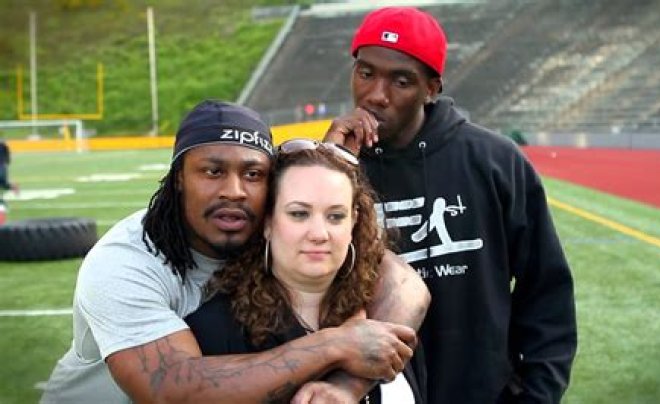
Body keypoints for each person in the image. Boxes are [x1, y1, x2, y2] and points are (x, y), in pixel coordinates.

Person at [41, 100, 430, 403]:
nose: (234, 191)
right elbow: (170, 389)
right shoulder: (125, 261)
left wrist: (350, 383)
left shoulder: (261, 224)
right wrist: (335, 344)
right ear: (178, 179)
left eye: (253, 174)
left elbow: (404, 283)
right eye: (213, 172)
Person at [324, 7, 577, 403]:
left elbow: (546, 290)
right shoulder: (333, 167)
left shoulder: (495, 161)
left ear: (432, 88)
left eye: (401, 81)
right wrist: (330, 167)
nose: (376, 95)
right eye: (366, 73)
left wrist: (537, 395)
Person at [186, 139, 425, 403]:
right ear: (268, 222)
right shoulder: (214, 330)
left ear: (354, 222)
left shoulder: (384, 312)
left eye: (335, 216)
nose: (319, 234)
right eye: (299, 214)